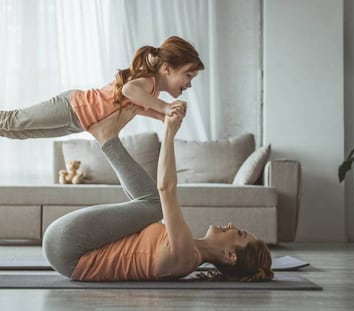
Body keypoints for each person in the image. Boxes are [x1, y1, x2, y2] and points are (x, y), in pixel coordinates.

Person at [43, 104, 274, 282]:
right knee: (151, 207)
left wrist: (169, 131)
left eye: (240, 233)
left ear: (230, 255)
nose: (233, 225)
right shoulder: (186, 249)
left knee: (154, 205)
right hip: (67, 246)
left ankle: (106, 137)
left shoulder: (185, 257)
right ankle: (107, 137)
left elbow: (166, 189)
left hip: (68, 248)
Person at [0, 36, 204, 139]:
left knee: (19, 132)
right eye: (188, 75)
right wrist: (165, 108)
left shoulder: (152, 92)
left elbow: (134, 105)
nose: (189, 83)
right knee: (14, 120)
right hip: (74, 106)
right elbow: (128, 91)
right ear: (167, 69)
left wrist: (159, 116)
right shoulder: (147, 82)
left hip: (80, 123)